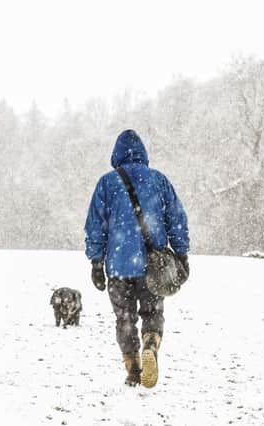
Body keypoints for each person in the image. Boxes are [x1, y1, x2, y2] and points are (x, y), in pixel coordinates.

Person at [84, 129, 190, 388]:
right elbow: (177, 219)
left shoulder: (107, 183)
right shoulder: (158, 180)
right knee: (153, 312)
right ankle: (151, 345)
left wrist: (96, 262)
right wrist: (182, 253)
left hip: (119, 266)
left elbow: (95, 225)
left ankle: (133, 368)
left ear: (116, 155)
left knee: (125, 318)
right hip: (153, 265)